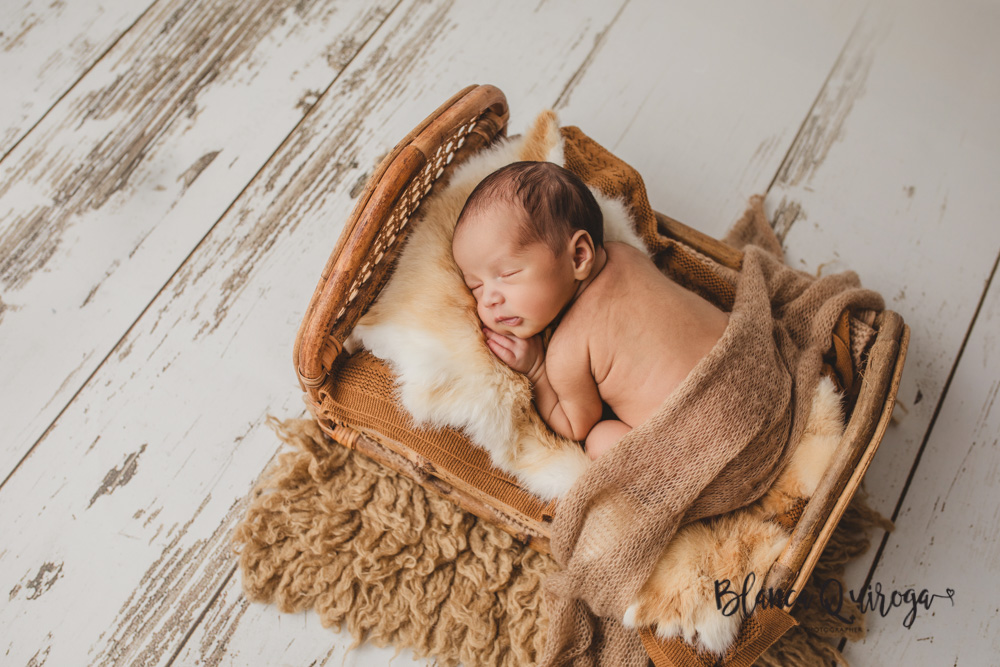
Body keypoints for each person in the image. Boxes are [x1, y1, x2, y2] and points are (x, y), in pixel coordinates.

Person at [451, 161, 730, 460]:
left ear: (579, 255)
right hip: (747, 379)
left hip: (712, 446)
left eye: (507, 274)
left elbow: (576, 426)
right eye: (475, 287)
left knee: (600, 438)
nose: (489, 300)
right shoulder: (627, 255)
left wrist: (537, 370)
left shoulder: (566, 352)